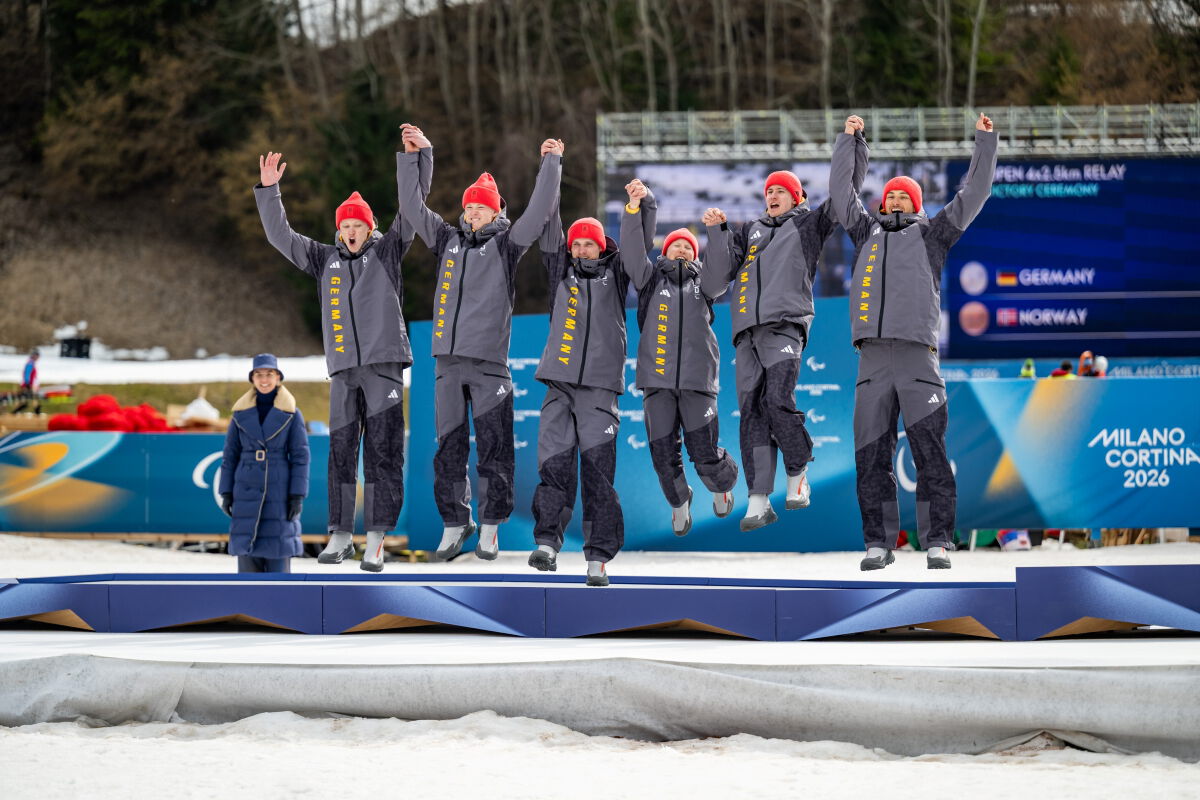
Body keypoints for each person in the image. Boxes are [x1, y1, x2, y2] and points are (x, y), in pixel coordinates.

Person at [254, 136, 431, 572]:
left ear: (370, 229)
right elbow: (281, 236)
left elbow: (412, 206)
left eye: (359, 225)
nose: (351, 232)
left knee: (383, 454)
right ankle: (339, 534)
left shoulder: (388, 251)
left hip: (384, 367)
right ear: (339, 231)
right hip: (343, 371)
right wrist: (269, 191)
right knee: (341, 453)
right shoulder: (323, 259)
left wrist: (416, 159)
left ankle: (376, 539)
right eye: (345, 226)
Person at [831, 112, 997, 571]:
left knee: (930, 454)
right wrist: (850, 142)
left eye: (906, 195)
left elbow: (974, 193)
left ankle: (938, 541)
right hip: (872, 360)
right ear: (882, 204)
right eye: (891, 196)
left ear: (918, 204)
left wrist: (985, 142)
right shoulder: (864, 232)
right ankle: (878, 544)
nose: (898, 199)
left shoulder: (933, 235)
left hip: (917, 356)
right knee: (871, 456)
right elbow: (842, 195)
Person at [398, 125, 562, 561]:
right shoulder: (447, 241)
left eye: (479, 208)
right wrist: (419, 156)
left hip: (489, 365)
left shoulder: (508, 244)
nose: (471, 212)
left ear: (494, 213)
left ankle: (490, 526)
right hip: (447, 365)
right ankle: (456, 522)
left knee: (494, 448)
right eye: (467, 206)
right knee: (447, 449)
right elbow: (412, 208)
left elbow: (541, 209)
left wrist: (550, 164)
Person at [702, 125, 867, 531]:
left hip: (785, 326)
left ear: (797, 197)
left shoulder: (808, 225)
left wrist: (851, 143)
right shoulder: (749, 231)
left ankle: (798, 475)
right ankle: (758, 499)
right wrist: (717, 234)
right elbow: (717, 280)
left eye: (781, 191)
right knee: (752, 414)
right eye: (769, 191)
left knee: (778, 400)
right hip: (746, 334)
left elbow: (846, 192)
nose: (772, 196)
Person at [619, 178, 738, 534]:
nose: (682, 251)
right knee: (662, 457)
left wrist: (716, 232)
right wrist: (632, 210)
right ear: (664, 253)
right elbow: (630, 252)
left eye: (688, 247)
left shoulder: (706, 285)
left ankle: (721, 489)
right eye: (676, 247)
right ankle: (679, 501)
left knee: (704, 452)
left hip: (698, 382)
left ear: (695, 254)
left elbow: (721, 273)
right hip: (656, 383)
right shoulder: (650, 279)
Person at [530, 207, 629, 587]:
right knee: (554, 466)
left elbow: (635, 249)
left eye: (590, 244)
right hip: (559, 383)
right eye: (578, 244)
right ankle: (547, 544)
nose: (583, 250)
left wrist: (639, 208)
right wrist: (552, 164)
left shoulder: (616, 275)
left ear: (602, 247)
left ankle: (599, 559)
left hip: (600, 389)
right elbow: (550, 222)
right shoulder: (561, 273)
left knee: (598, 476)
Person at [219, 354, 309, 573]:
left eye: (270, 374)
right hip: (246, 487)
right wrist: (227, 492)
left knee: (279, 557)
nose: (264, 379)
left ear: (278, 378)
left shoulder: (292, 413)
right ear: (253, 379)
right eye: (259, 375)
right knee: (247, 562)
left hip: (278, 489)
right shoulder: (240, 414)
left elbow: (300, 456)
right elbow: (230, 455)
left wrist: (297, 495)